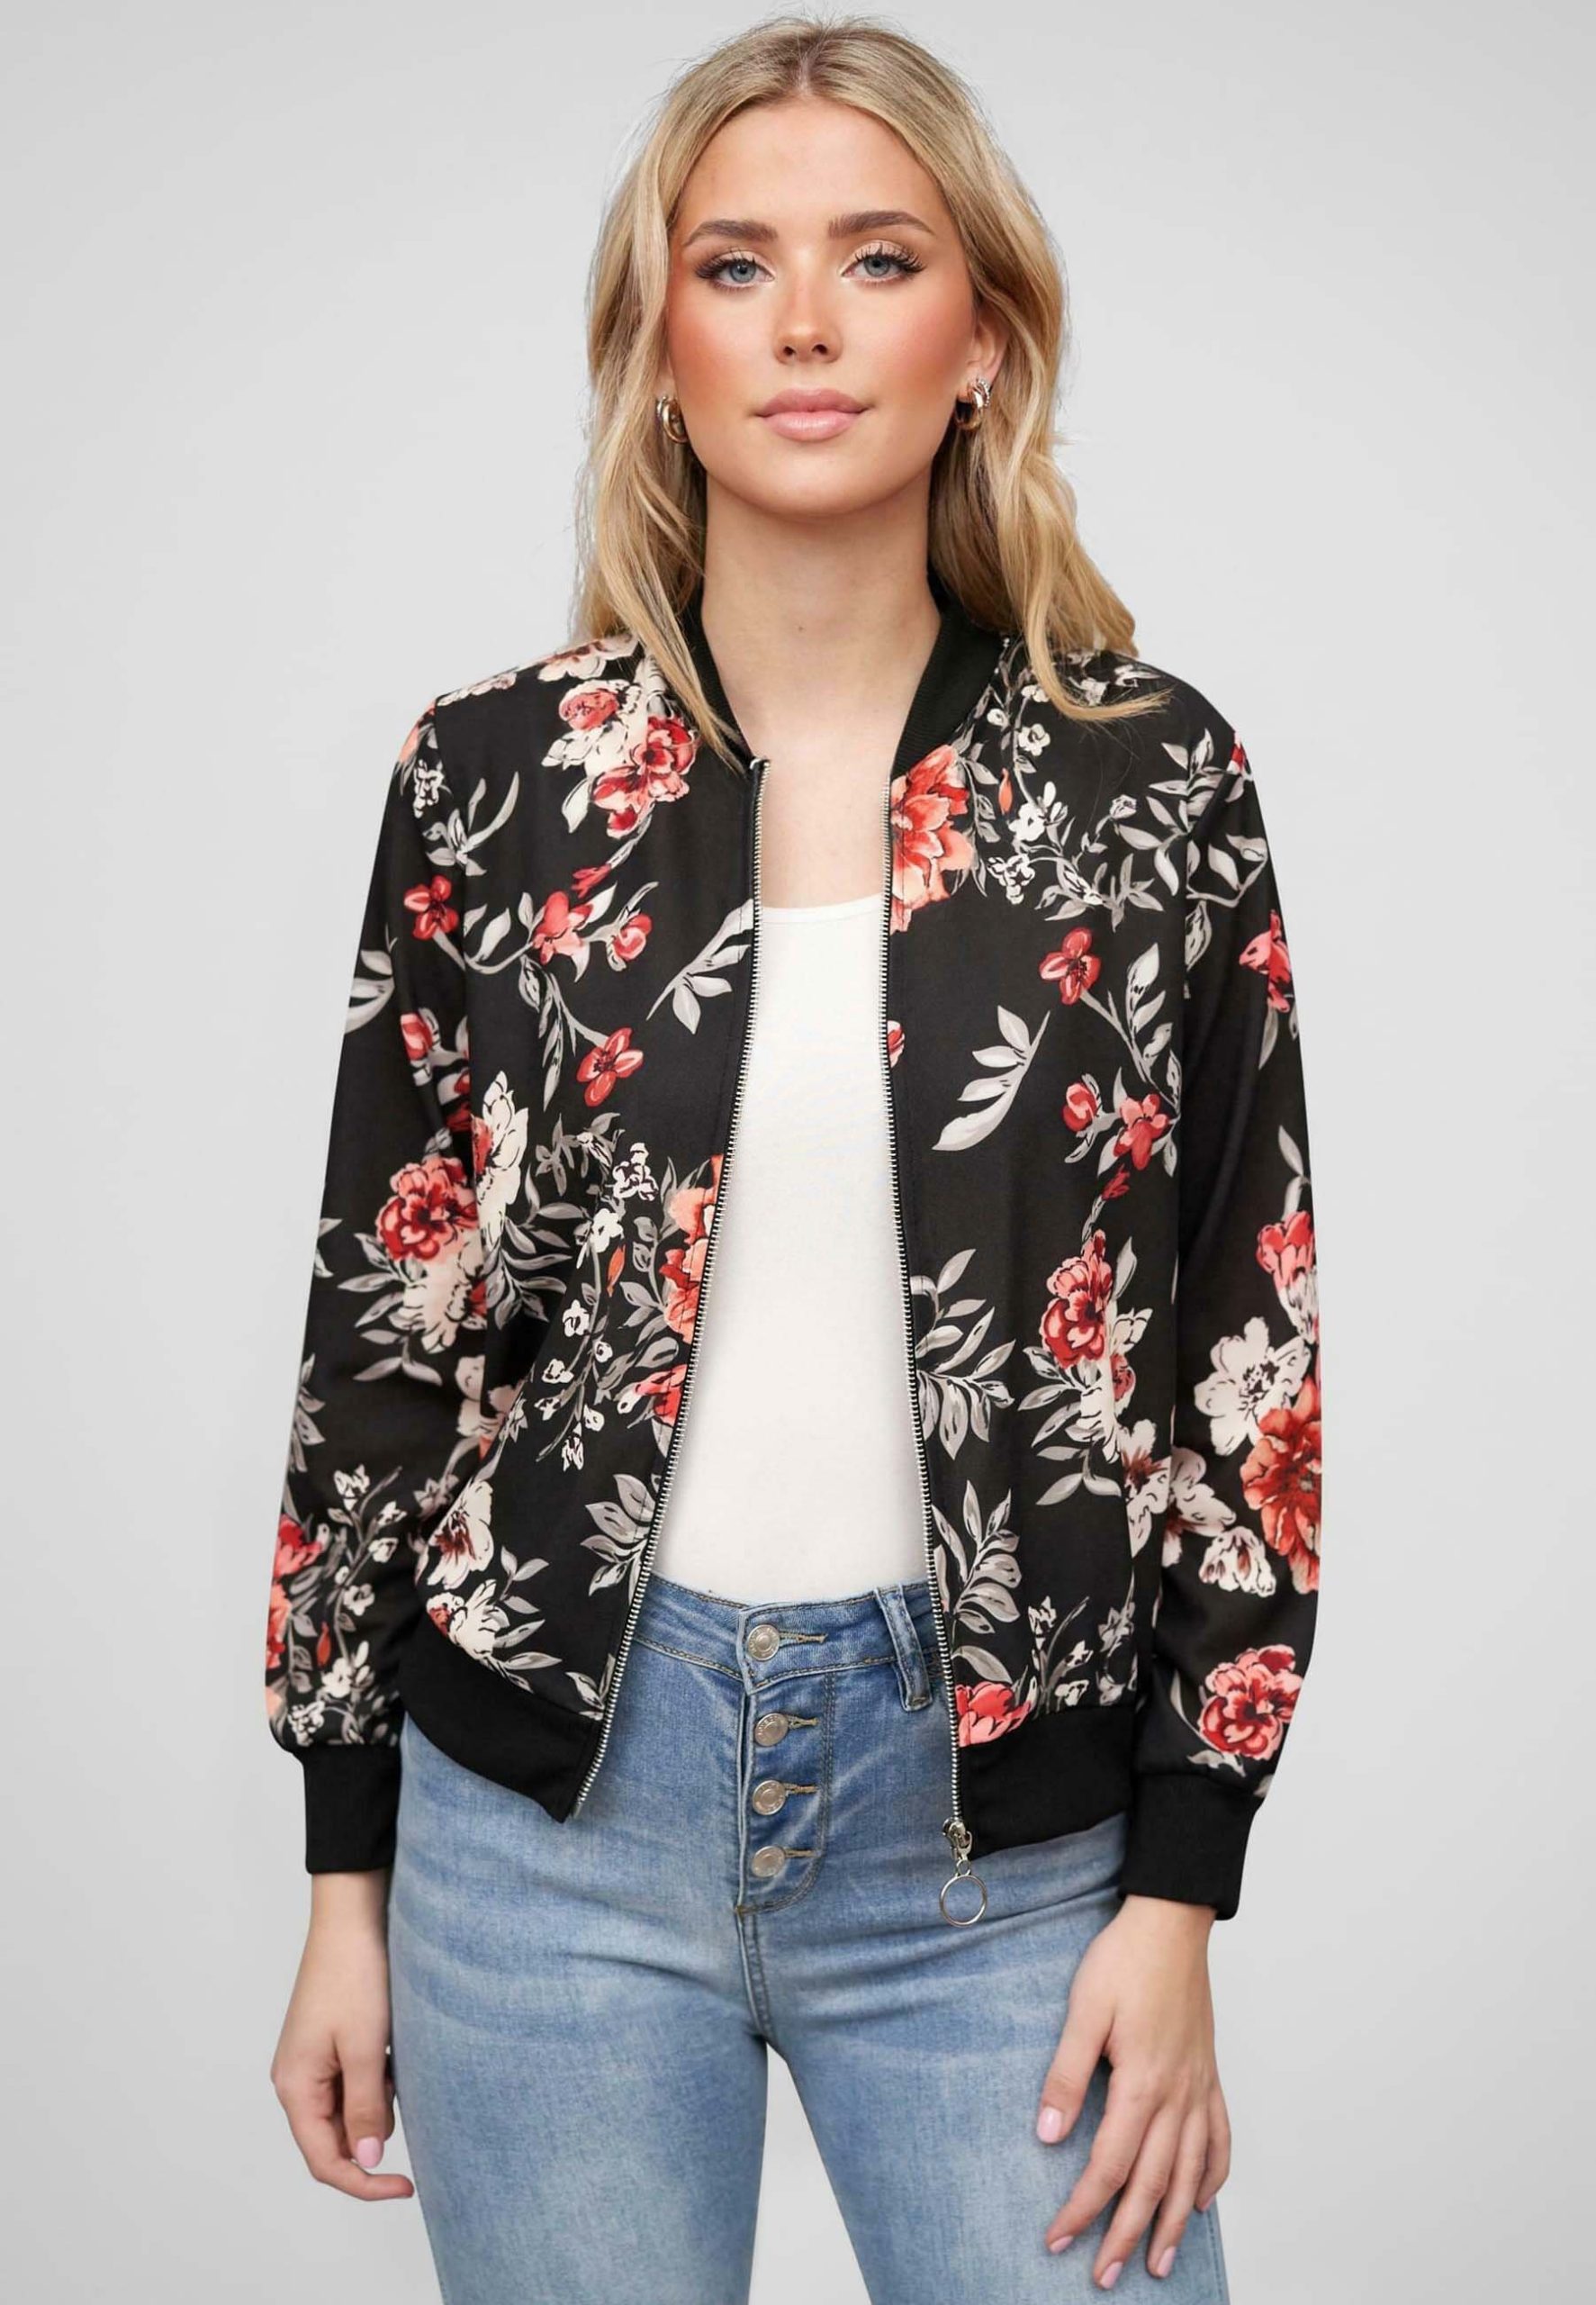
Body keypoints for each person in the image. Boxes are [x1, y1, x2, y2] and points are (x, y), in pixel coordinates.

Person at [266, 15, 1321, 2301]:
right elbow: (388, 1326)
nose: (808, 324)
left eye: (878, 257)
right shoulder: (498, 778)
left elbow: (1247, 1350)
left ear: (984, 335)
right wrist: (345, 1869)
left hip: (997, 1841)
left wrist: (1179, 1882)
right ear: (657, 345)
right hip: (541, 1828)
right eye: (735, 264)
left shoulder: (1147, 786)